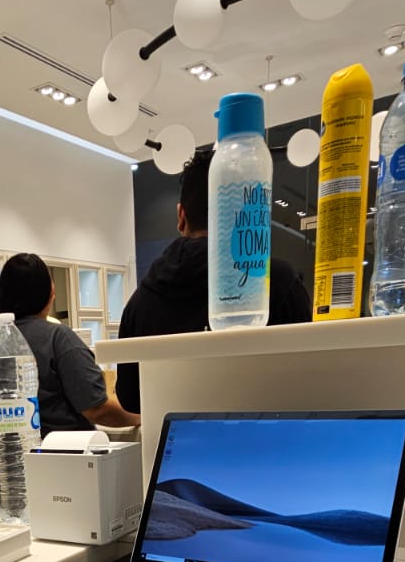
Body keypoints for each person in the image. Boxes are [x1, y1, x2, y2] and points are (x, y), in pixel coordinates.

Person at [115, 149, 314, 412]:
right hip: (266, 437)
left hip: (170, 437)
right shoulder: (276, 282)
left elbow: (130, 399)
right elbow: (309, 385)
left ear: (181, 216)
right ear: (241, 212)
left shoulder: (139, 303)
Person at [0, 253, 139, 435]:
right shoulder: (58, 337)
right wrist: (140, 416)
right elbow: (98, 409)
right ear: (48, 292)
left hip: (16, 447)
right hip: (66, 448)